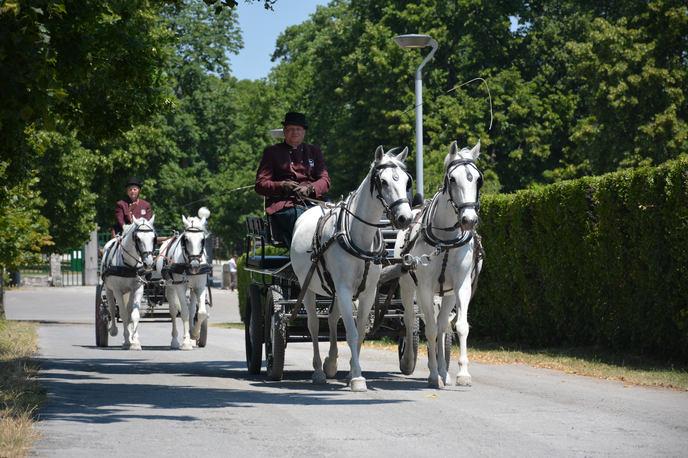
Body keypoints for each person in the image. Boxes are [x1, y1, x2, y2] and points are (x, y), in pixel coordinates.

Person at [255, 112, 331, 245]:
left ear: (304, 132)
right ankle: (303, 257)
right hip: (285, 205)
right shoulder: (272, 152)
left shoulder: (315, 151)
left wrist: (310, 188)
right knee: (302, 220)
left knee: (336, 218)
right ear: (284, 131)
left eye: (298, 129)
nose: (294, 132)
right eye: (291, 129)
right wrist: (282, 185)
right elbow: (260, 184)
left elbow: (325, 180)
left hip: (313, 202)